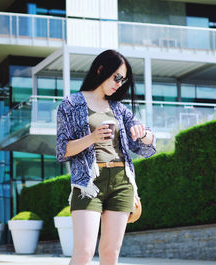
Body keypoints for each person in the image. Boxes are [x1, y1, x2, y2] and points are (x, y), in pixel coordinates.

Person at [56, 49, 156, 265]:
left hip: (122, 181)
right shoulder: (71, 104)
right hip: (88, 183)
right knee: (84, 252)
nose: (119, 84)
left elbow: (147, 141)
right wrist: (92, 138)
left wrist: (144, 133)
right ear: (101, 70)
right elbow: (62, 150)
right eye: (116, 77)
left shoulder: (119, 109)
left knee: (111, 254)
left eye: (123, 80)